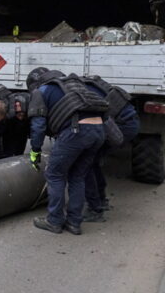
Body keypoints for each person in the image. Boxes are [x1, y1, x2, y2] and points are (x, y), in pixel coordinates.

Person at [27, 68, 107, 235]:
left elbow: (38, 126)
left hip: (76, 131)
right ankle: (74, 223)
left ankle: (54, 221)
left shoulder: (41, 91)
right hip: (98, 131)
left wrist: (35, 151)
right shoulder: (73, 85)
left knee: (55, 175)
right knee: (77, 176)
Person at [82, 75, 140, 222]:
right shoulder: (87, 85)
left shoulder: (80, 92)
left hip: (120, 126)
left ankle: (95, 209)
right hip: (129, 122)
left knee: (85, 164)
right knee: (93, 162)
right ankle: (101, 200)